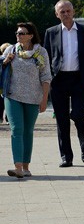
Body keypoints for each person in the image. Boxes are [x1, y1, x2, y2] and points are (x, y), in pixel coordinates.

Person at [43, 0, 84, 168]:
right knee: (61, 119)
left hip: (79, 79)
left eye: (68, 11)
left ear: (73, 12)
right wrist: (48, 79)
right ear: (57, 14)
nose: (65, 14)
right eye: (62, 11)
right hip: (58, 80)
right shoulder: (50, 32)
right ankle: (66, 156)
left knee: (78, 113)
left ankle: (83, 140)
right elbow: (46, 58)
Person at [2, 23, 52, 178]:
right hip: (12, 95)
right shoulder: (11, 50)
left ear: (31, 35)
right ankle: (18, 167)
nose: (19, 36)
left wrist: (44, 100)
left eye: (22, 33)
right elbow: (2, 68)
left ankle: (26, 166)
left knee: (27, 131)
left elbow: (46, 77)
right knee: (16, 129)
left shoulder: (41, 52)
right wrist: (4, 62)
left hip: (33, 97)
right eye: (17, 33)